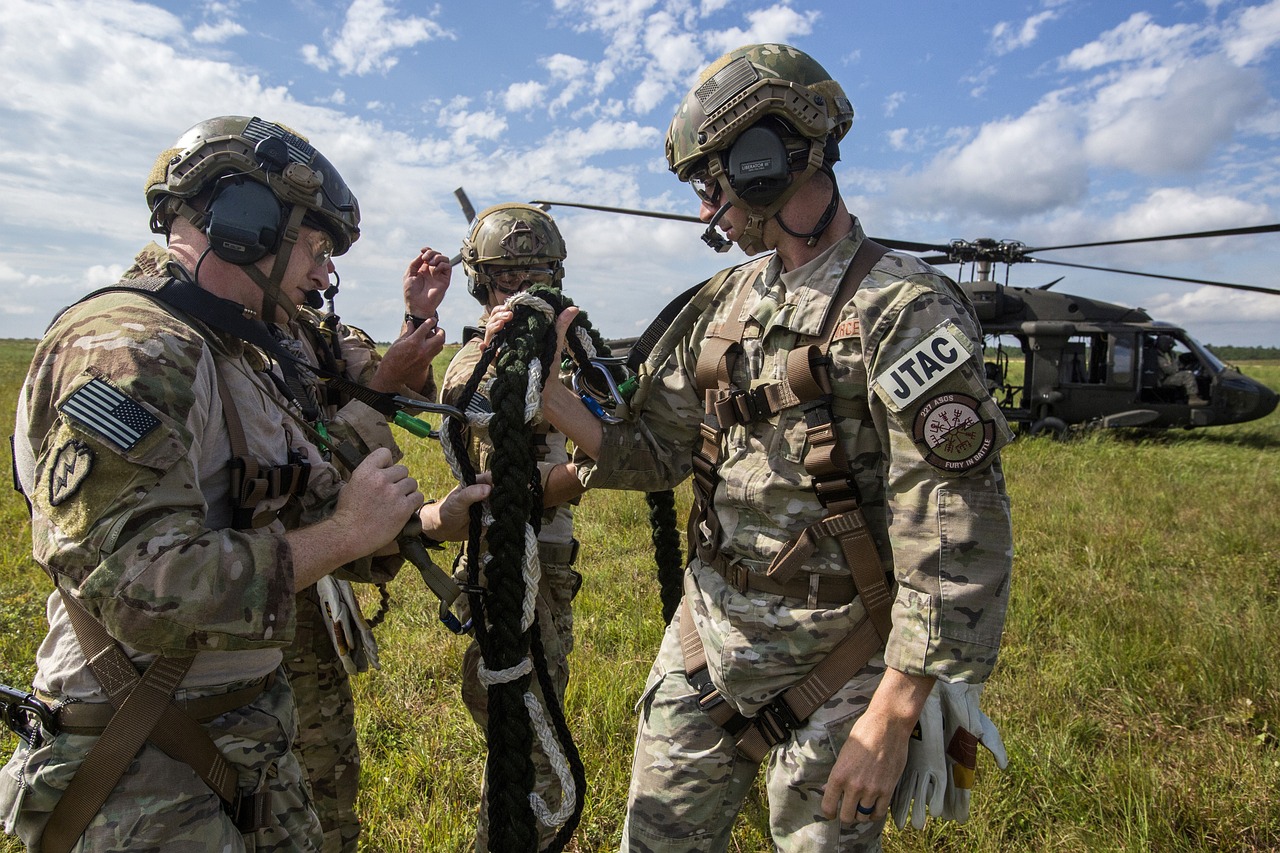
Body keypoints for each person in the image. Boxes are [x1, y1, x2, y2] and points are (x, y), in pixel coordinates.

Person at [524, 44, 1015, 850]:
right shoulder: (723, 302)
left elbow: (956, 525)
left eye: (713, 184)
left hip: (846, 666)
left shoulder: (904, 308)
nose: (707, 210)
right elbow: (654, 452)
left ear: (763, 161)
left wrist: (894, 710)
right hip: (706, 644)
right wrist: (551, 393)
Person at [0, 115, 487, 853]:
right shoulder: (134, 349)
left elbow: (292, 513)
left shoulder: (234, 352)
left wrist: (416, 525)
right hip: (146, 775)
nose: (323, 274)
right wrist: (347, 530)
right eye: (316, 246)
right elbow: (139, 586)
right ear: (245, 228)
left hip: (234, 747)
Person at [440, 203, 586, 852]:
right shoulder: (474, 365)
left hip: (549, 572)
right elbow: (517, 469)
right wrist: (590, 467)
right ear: (481, 287)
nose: (525, 291)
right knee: (533, 768)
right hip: (507, 575)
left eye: (539, 276)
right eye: (507, 280)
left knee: (525, 747)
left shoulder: (570, 353)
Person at [1153, 334, 1208, 406]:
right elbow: (1171, 371)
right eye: (1170, 346)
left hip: (1163, 378)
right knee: (1188, 375)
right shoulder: (1158, 357)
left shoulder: (1161, 355)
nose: (1171, 348)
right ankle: (1193, 398)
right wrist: (1173, 358)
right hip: (1162, 380)